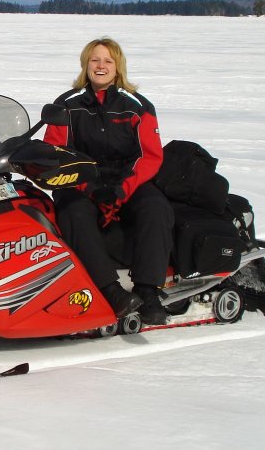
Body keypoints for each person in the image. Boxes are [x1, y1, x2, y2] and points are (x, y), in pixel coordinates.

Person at [43, 37, 173, 325]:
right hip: (80, 181)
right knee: (72, 210)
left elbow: (150, 156)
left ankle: (148, 290)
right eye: (95, 60)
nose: (101, 66)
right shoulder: (66, 105)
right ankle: (111, 291)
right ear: (85, 65)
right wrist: (87, 187)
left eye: (108, 61)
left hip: (127, 180)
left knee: (155, 206)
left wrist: (122, 189)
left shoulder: (137, 106)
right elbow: (56, 153)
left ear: (118, 67)